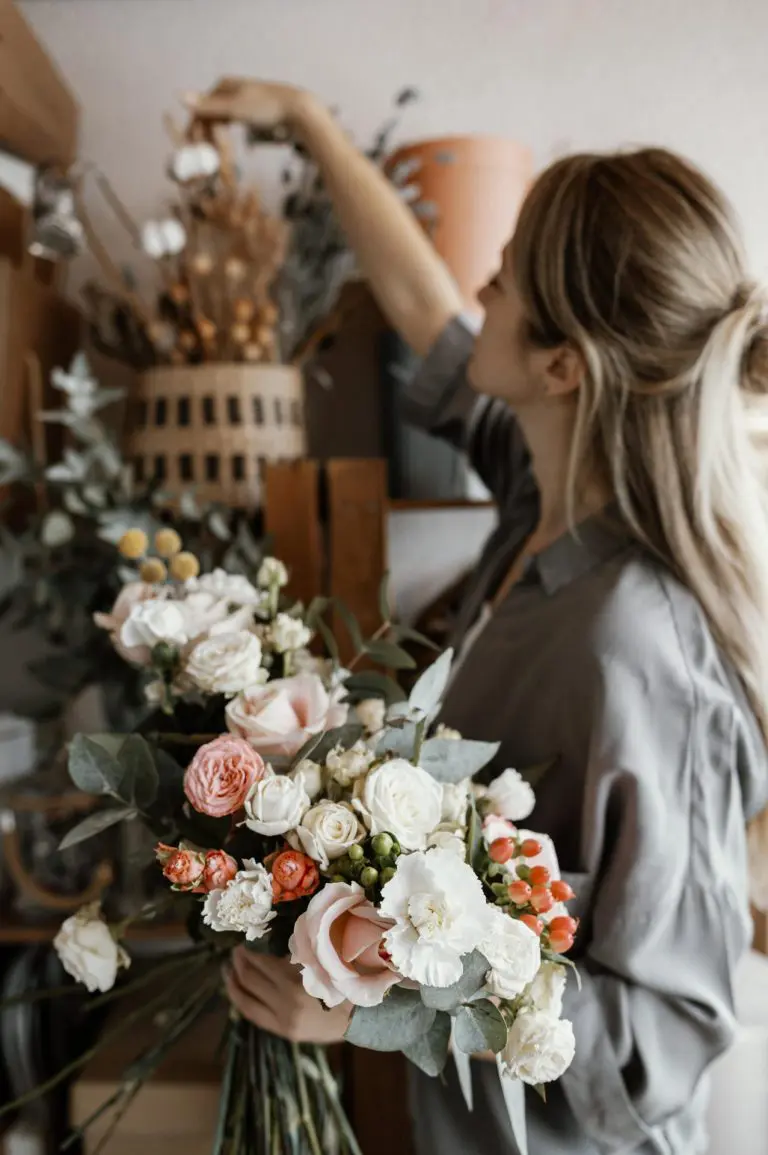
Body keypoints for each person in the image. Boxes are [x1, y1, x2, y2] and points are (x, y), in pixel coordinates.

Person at [191, 80, 768, 1154]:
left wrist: (377, 1006)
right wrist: (307, 121)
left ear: (563, 367)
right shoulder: (537, 506)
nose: (481, 285)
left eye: (507, 274)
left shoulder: (641, 650)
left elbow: (664, 1045)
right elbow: (425, 309)